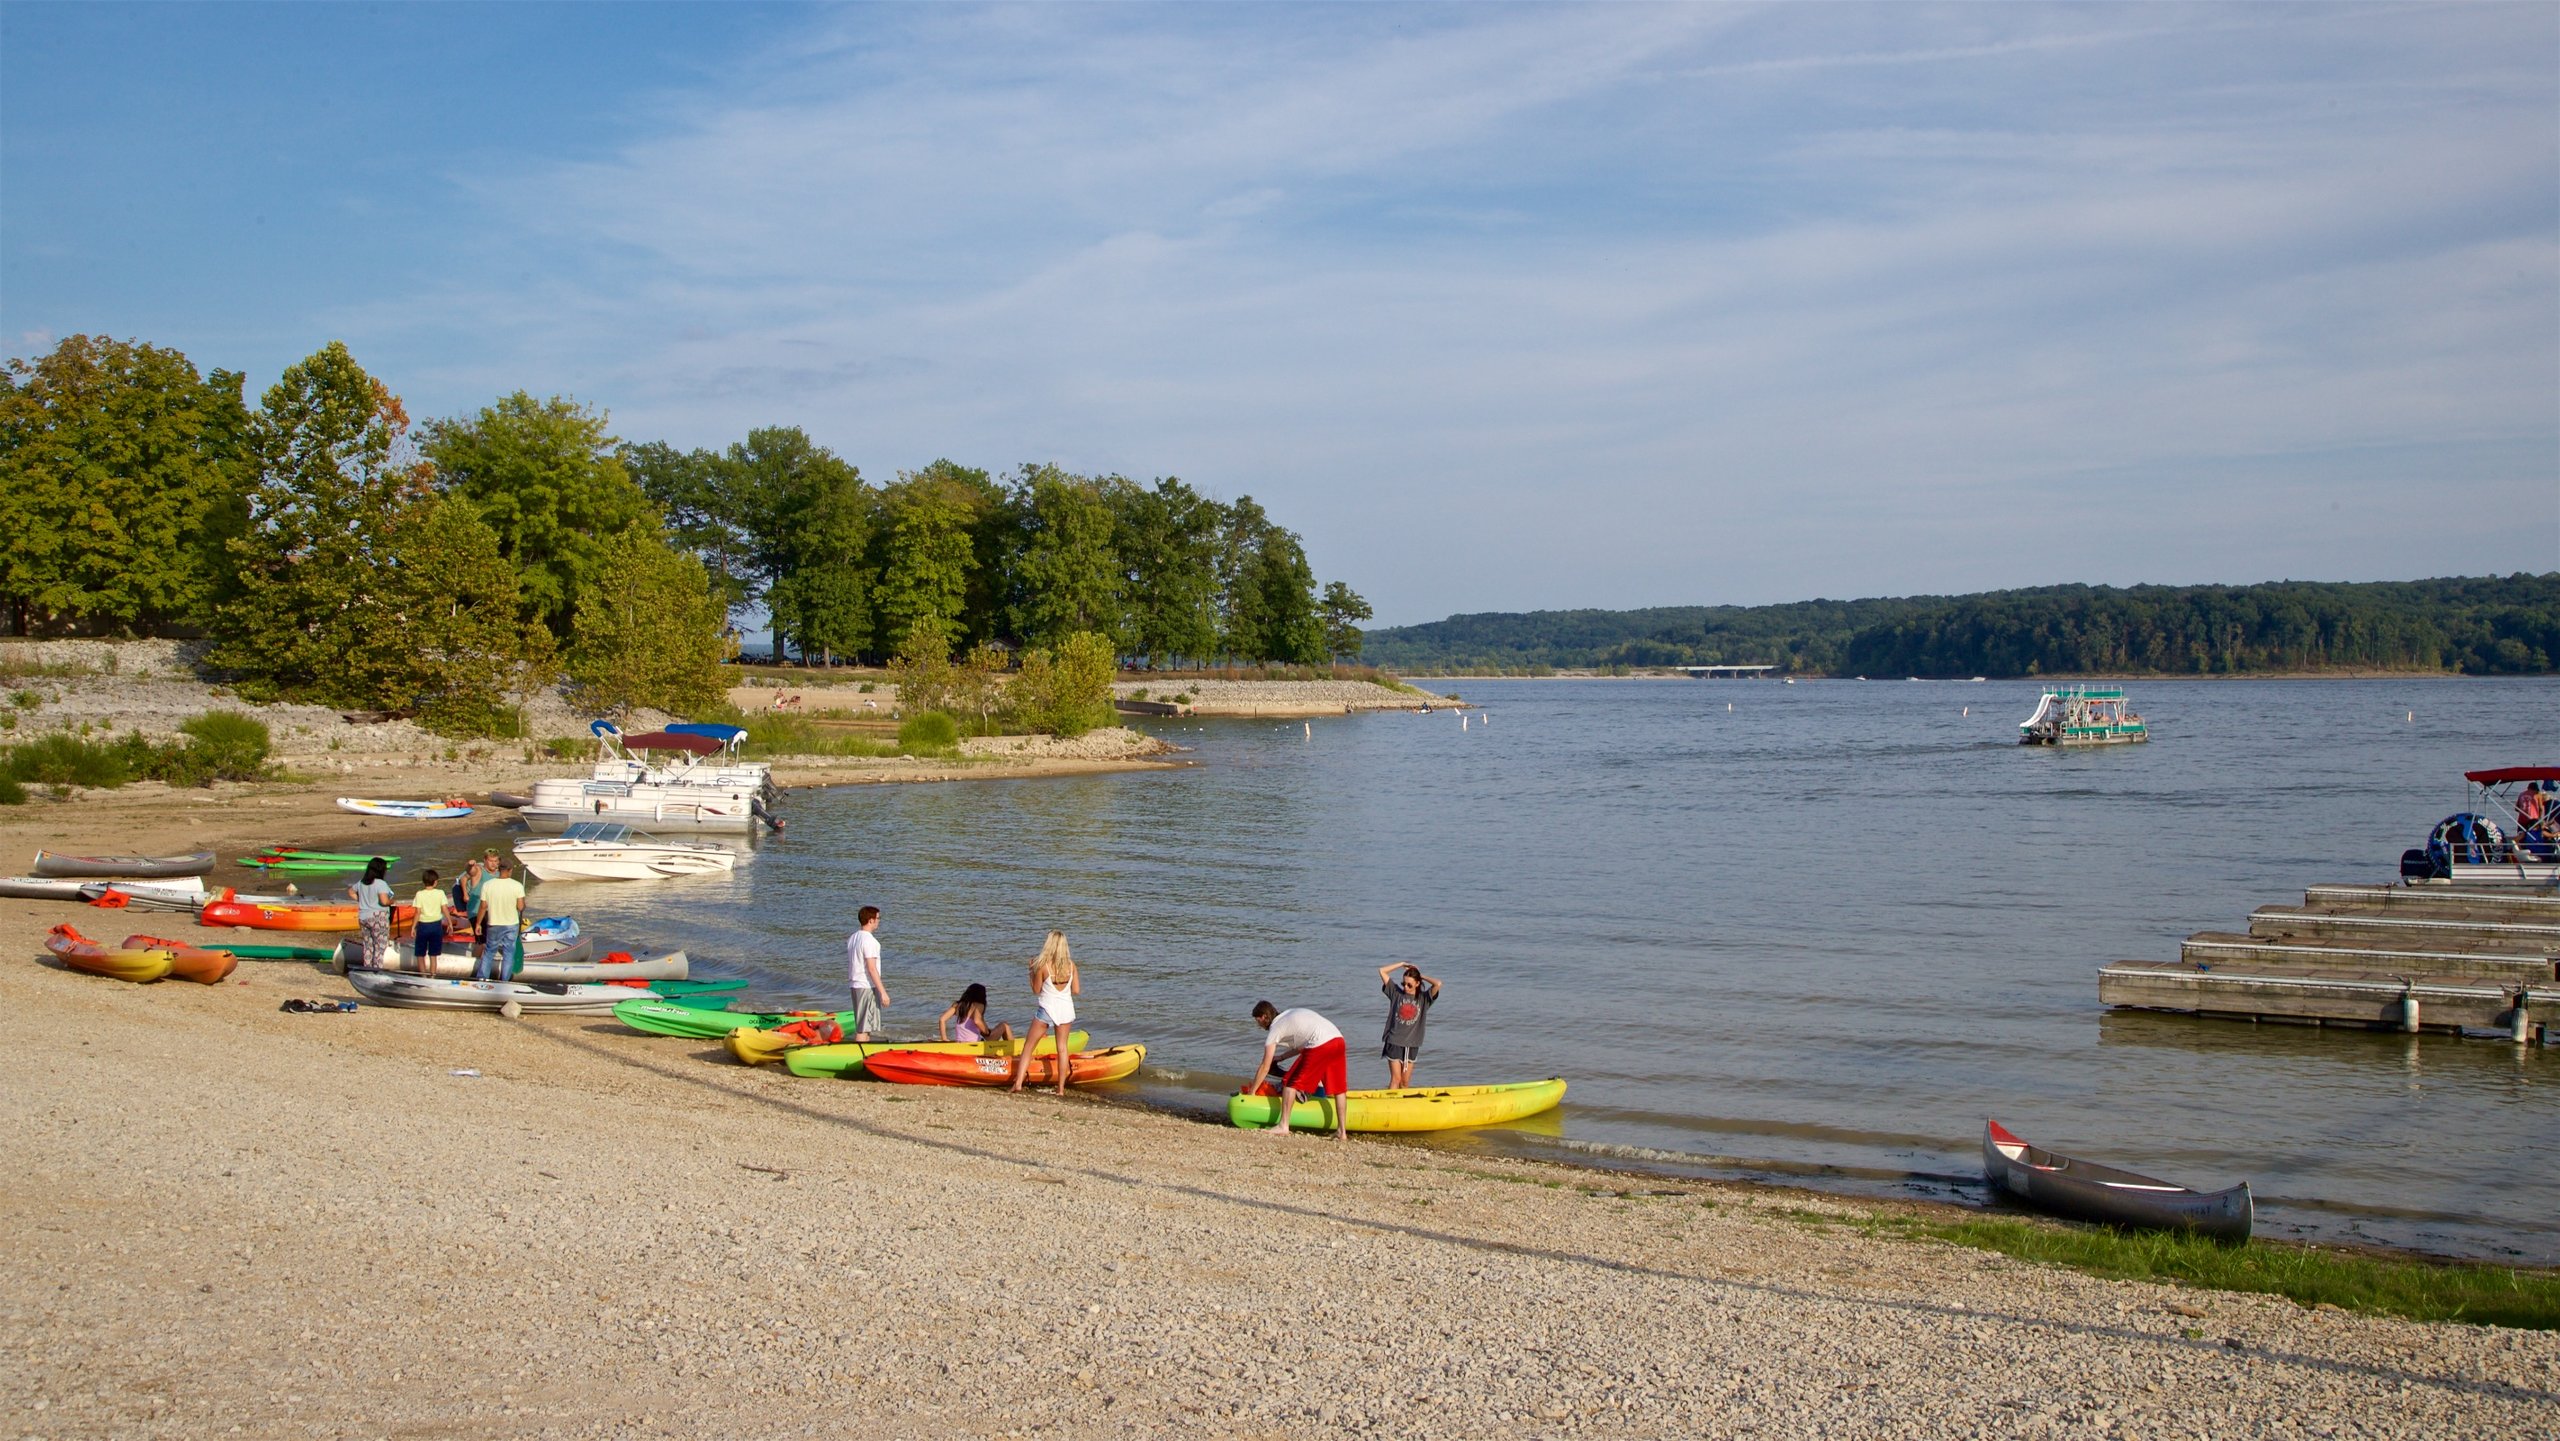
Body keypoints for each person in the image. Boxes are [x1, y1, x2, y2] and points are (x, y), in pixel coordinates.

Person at [1245, 1001, 1348, 1140]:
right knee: (1338, 1089)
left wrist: (1252, 1092)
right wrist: (1281, 1057)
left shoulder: (1276, 1028)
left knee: (1290, 1082)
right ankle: (1342, 1132)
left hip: (1320, 1043)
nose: (1258, 1025)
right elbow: (1302, 1045)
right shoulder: (1288, 1015)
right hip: (1338, 1040)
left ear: (1264, 1017)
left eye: (1258, 1021)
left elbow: (1265, 1066)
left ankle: (1283, 1125)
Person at [1007, 932, 1081, 1096]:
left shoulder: (1043, 966)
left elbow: (1036, 990)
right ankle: (1060, 1089)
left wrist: (1030, 971)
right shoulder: (1071, 966)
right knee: (1062, 1048)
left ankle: (1018, 1083)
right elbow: (1076, 990)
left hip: (1047, 1009)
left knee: (1028, 1046)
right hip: (1065, 1009)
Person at [1376, 963, 1443, 1090]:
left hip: (1412, 1044)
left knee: (1405, 1082)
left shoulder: (1423, 999)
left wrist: (1420, 975)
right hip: (1394, 1041)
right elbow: (1382, 971)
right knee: (1396, 1079)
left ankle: (1403, 1106)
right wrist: (1402, 964)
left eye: (1409, 985)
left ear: (1417, 984)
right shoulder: (1396, 993)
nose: (1406, 987)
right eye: (1404, 984)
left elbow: (1438, 984)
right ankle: (1390, 1105)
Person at [471, 857, 527, 983]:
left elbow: (483, 907)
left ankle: (482, 979)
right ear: (510, 870)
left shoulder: (488, 885)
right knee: (508, 954)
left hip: (494, 923)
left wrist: (478, 923)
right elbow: (520, 907)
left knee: (489, 952)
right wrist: (523, 903)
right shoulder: (517, 885)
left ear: (499, 870)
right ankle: (504, 981)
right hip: (511, 924)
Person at [847, 905, 888, 1040]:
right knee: (864, 1028)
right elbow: (871, 968)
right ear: (870, 920)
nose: (878, 921)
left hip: (855, 984)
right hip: (866, 986)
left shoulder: (853, 938)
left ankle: (864, 1053)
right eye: (877, 918)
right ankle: (861, 1056)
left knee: (864, 1025)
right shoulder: (870, 941)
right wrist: (883, 992)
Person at [348, 857, 395, 972]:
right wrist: (392, 901)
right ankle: (377, 971)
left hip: (363, 916)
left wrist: (361, 900)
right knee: (379, 947)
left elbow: (350, 891)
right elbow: (384, 901)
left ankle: (367, 969)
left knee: (368, 946)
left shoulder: (362, 882)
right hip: (378, 917)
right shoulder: (380, 883)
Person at [938, 982, 1014, 1045]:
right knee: (1004, 1025)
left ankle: (1005, 1047)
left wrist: (944, 1039)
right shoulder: (979, 1005)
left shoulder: (958, 1005)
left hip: (960, 1043)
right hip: (975, 1044)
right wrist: (987, 1033)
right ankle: (1012, 1049)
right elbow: (977, 1021)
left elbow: (942, 1020)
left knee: (988, 1031)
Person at [410, 868, 448, 973]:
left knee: (420, 953)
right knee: (433, 955)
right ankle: (433, 975)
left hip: (423, 926)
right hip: (436, 926)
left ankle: (423, 976)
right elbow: (444, 908)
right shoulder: (440, 893)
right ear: (435, 882)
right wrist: (449, 922)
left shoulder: (419, 894)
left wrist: (413, 927)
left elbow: (417, 912)